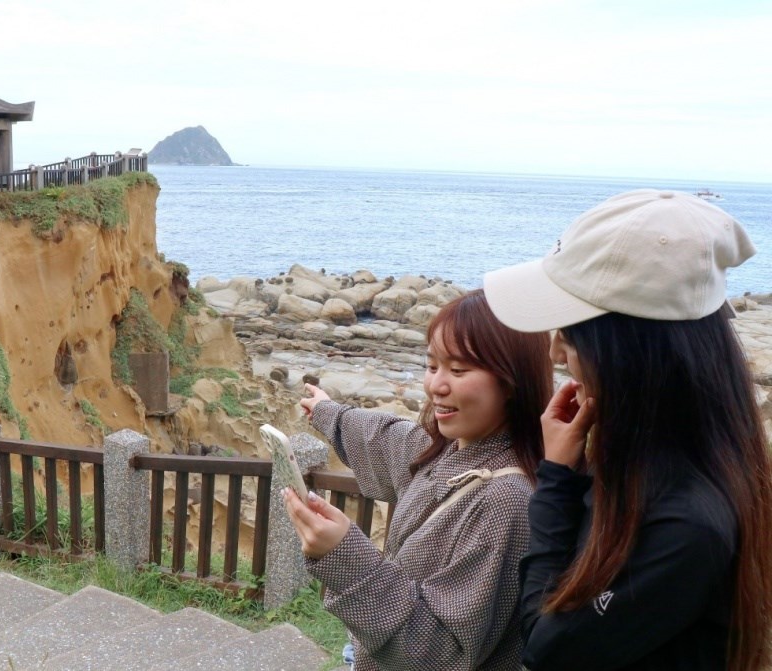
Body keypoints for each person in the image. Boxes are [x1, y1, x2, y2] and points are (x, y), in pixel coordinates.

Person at [483, 188, 772, 671]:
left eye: (569, 335)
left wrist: (556, 480)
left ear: (628, 355)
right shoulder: (655, 462)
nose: (555, 353)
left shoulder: (685, 525)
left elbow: (548, 650)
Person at [282, 289, 553, 670]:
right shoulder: (447, 448)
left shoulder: (506, 501)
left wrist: (343, 555)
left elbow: (442, 653)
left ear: (511, 382)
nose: (436, 386)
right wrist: (328, 412)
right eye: (431, 365)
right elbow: (383, 437)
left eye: (458, 370)